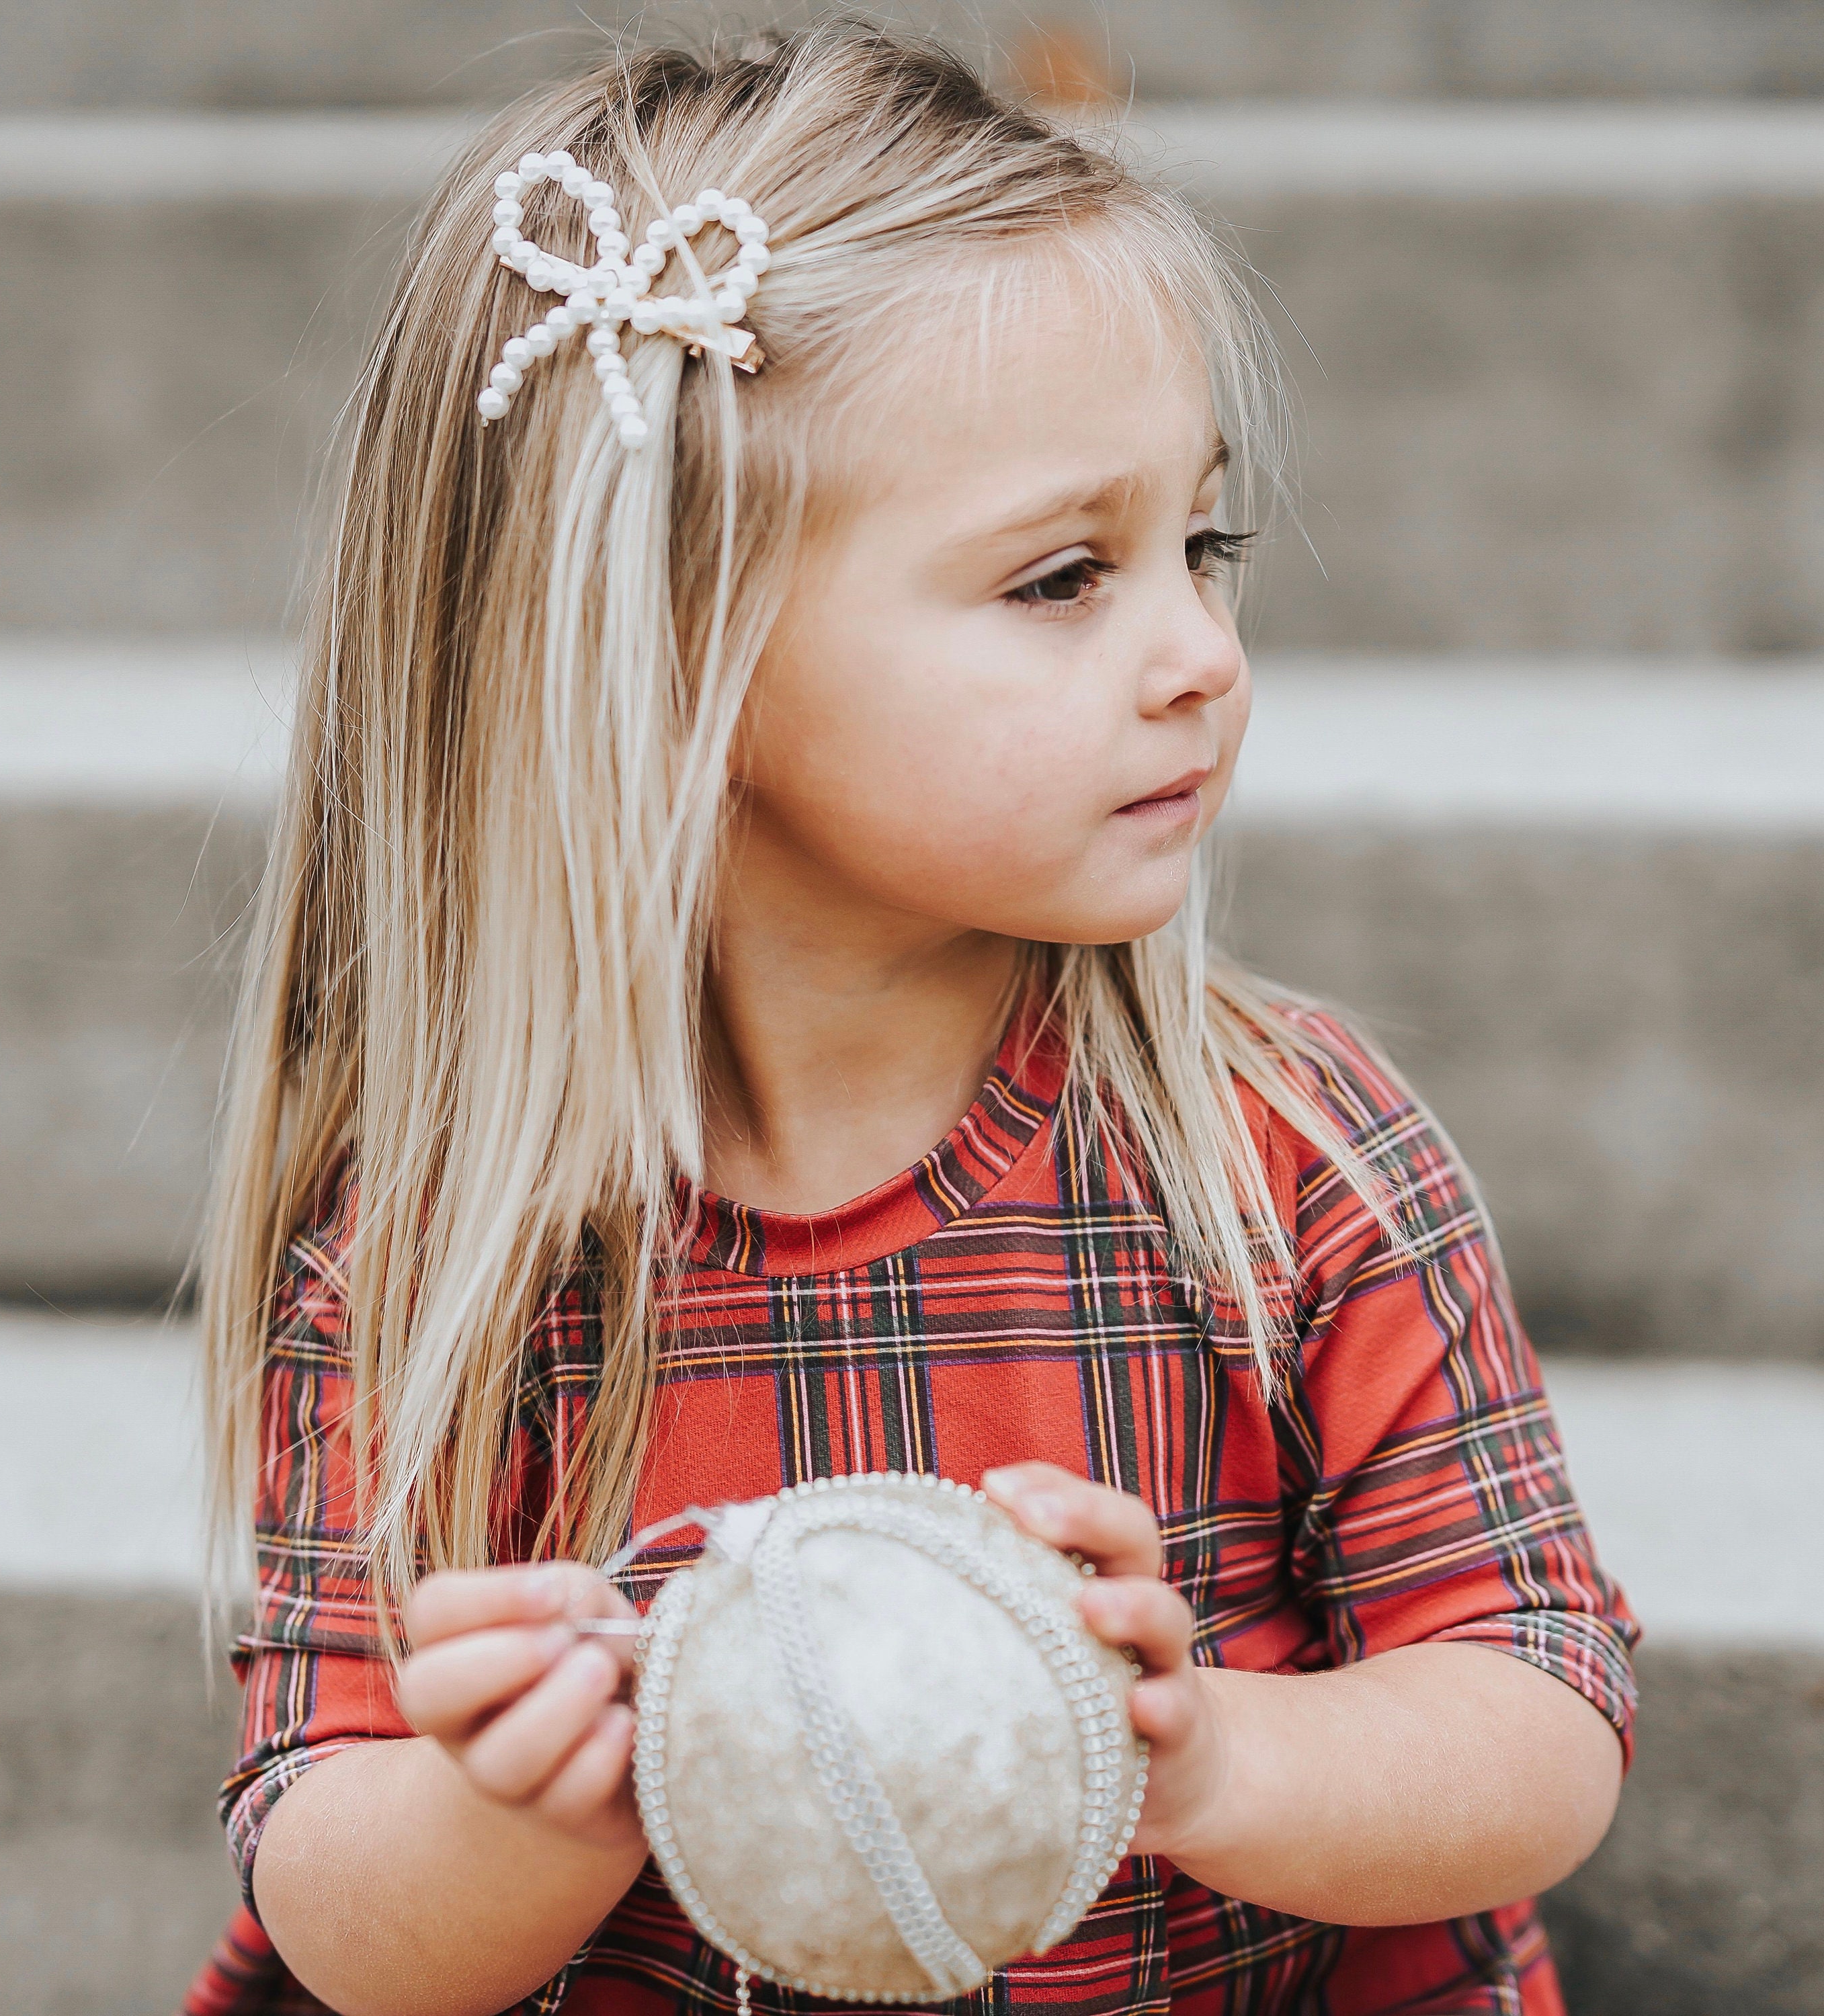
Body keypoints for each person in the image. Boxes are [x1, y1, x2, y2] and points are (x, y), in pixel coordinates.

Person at [183, 25, 1636, 2016]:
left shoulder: (1286, 1149)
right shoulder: (439, 1259)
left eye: (1201, 549)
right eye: (1064, 577)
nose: (1202, 656)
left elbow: (1537, 1713)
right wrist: (541, 1796)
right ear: (675, 664)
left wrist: (1201, 1751)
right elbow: (342, 1913)